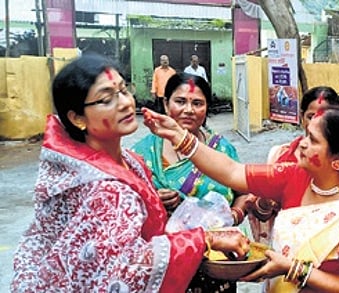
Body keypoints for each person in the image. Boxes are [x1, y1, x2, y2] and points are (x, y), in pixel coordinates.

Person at [10, 53, 250, 292]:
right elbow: (124, 272)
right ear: (77, 118)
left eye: (124, 90)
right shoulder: (103, 189)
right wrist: (204, 239)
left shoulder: (130, 162)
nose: (125, 103)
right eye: (106, 100)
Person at [143, 105, 339, 292]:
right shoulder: (293, 176)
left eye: (313, 139)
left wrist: (291, 269)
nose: (302, 143)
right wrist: (180, 137)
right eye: (305, 133)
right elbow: (231, 171)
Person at [132, 72, 247, 292]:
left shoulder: (221, 149)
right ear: (166, 105)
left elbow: (244, 192)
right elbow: (127, 210)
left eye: (197, 103)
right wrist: (154, 203)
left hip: (216, 266)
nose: (188, 110)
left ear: (206, 109)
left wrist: (234, 215)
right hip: (166, 265)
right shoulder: (142, 153)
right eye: (180, 101)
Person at [246, 86, 339, 245]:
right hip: (286, 251)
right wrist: (265, 202)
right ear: (302, 117)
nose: (316, 124)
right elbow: (262, 215)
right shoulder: (280, 156)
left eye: (325, 117)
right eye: (311, 116)